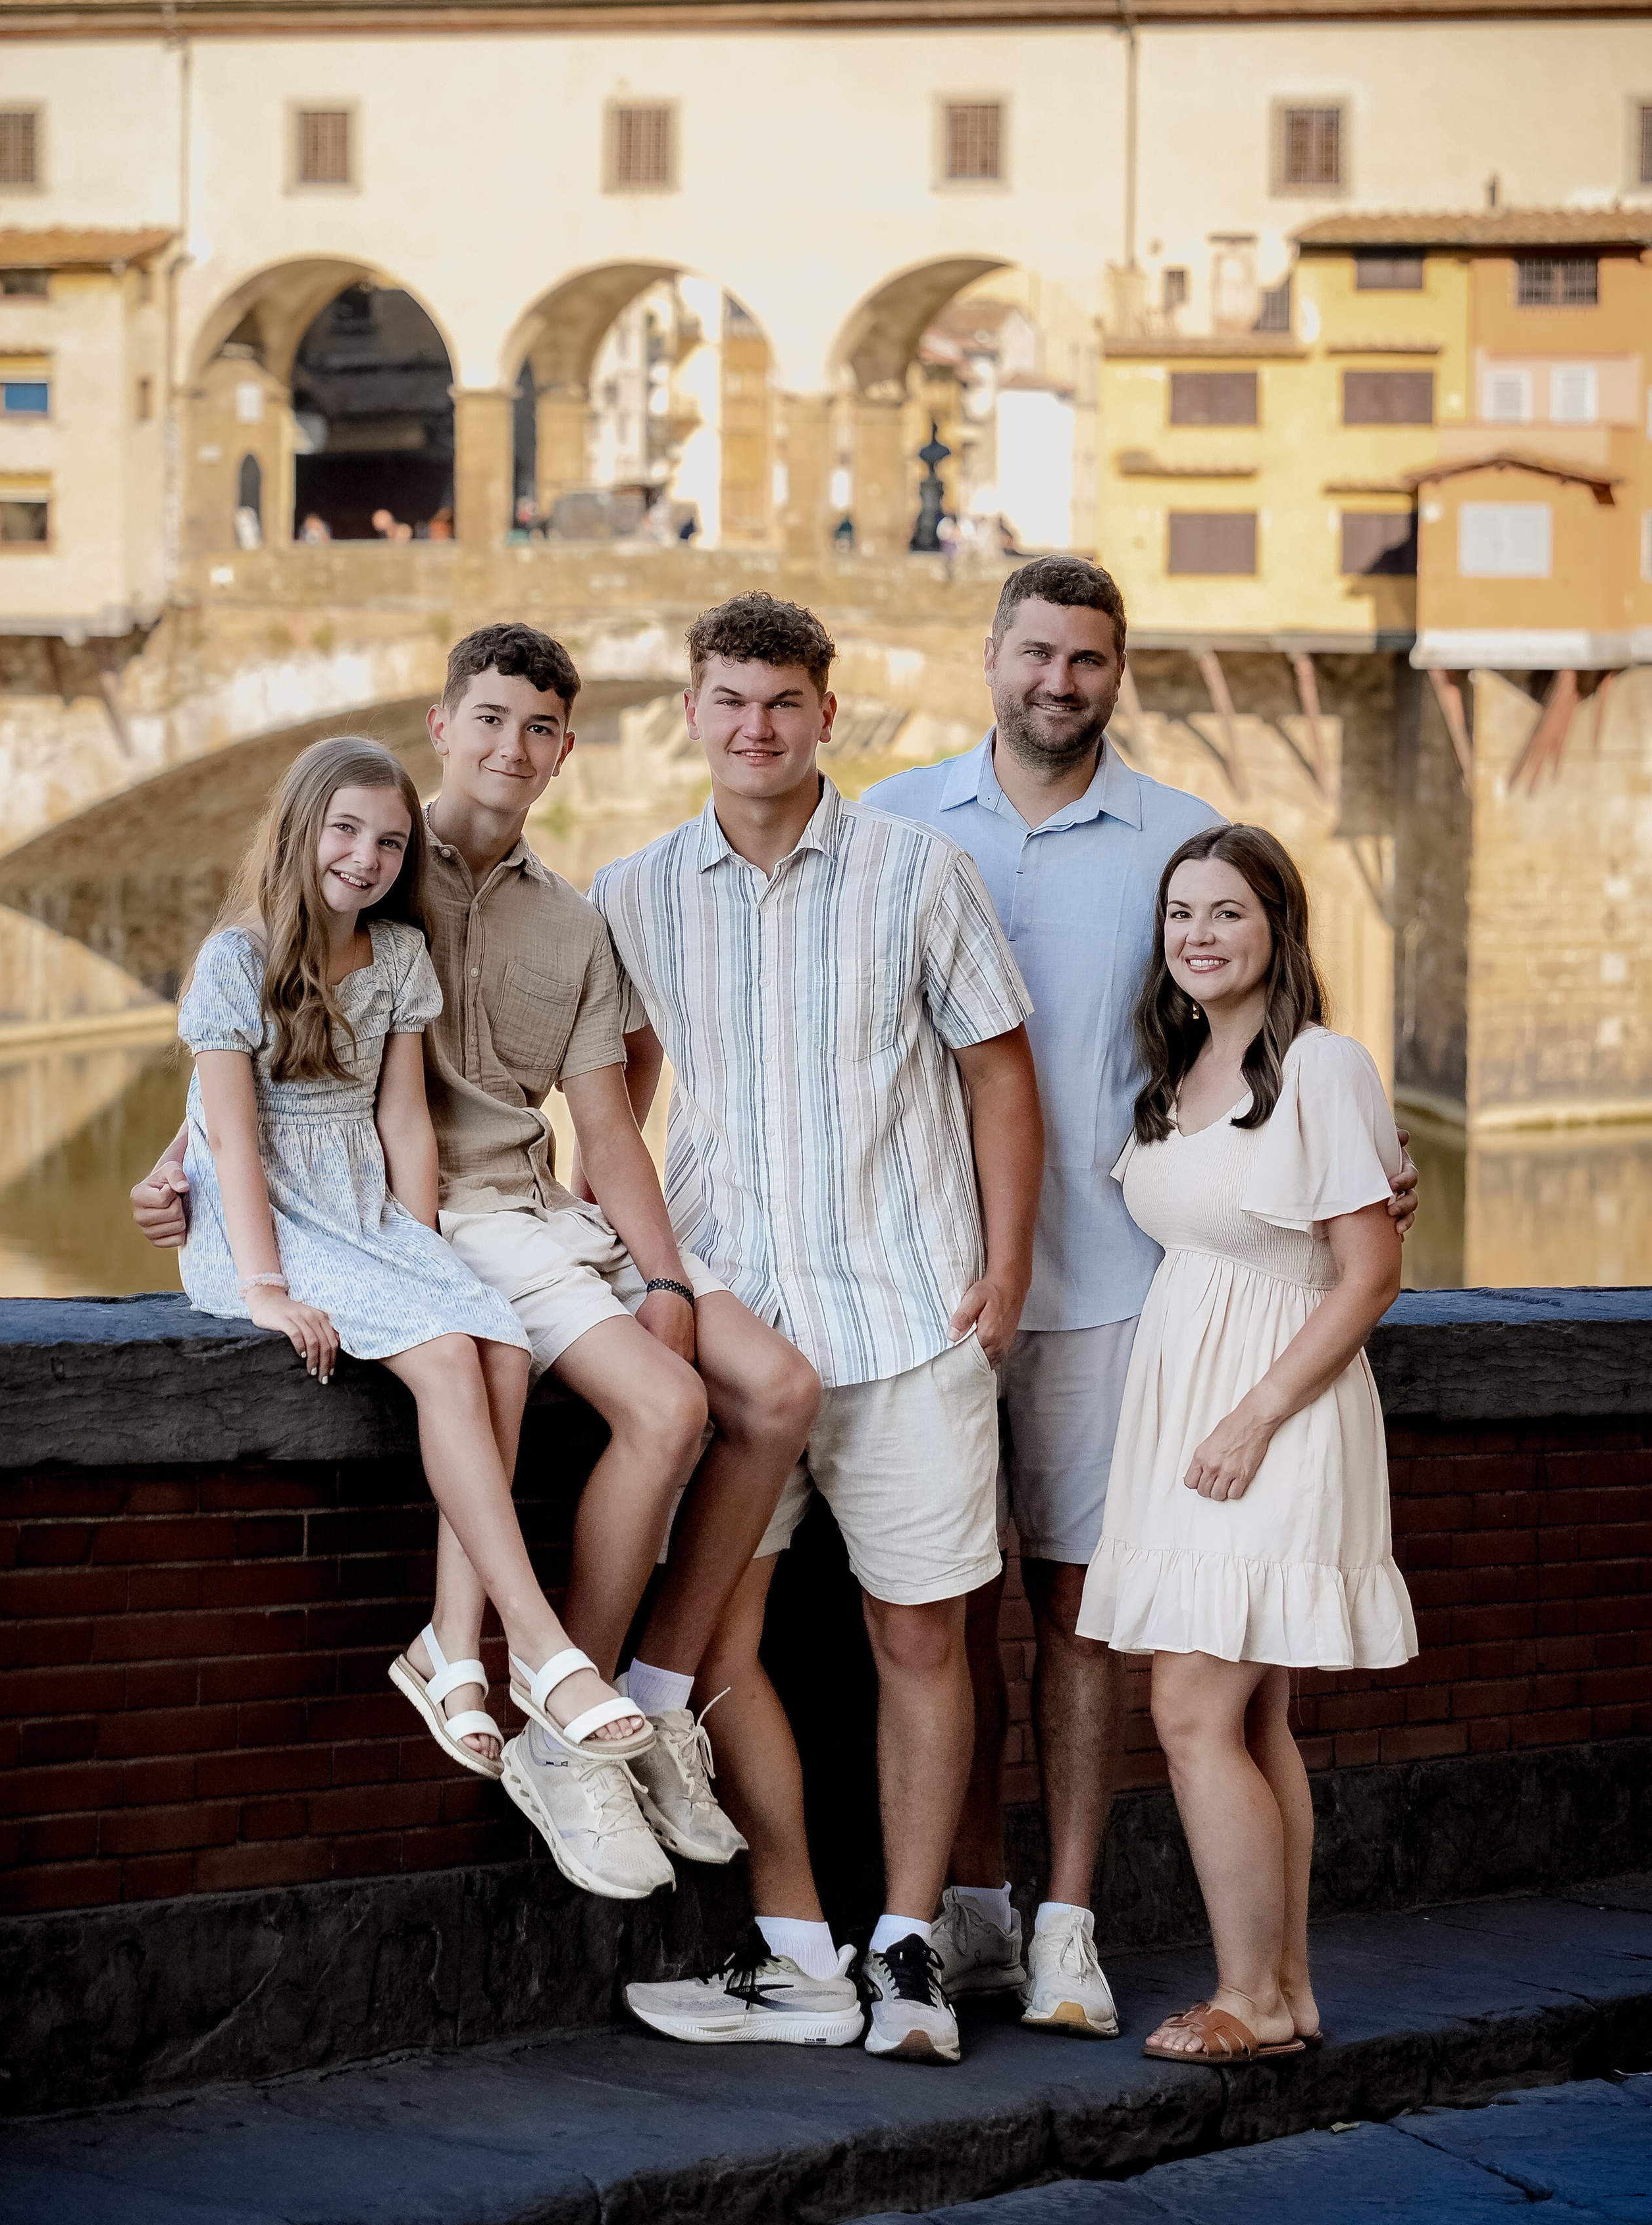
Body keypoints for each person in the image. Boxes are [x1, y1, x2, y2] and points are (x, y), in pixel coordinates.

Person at [132, 625, 821, 1904]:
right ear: (442, 727)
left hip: (547, 1204)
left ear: (566, 750)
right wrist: (186, 1168)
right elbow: (266, 1025)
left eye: (539, 727)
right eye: (490, 720)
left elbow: (608, 1128)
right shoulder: (381, 875)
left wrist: (667, 1282)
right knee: (668, 1409)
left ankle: (658, 1690)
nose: (513, 747)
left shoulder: (572, 920)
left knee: (777, 1392)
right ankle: (566, 1717)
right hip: (436, 1218)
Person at [865, 556, 1417, 2037]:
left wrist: (1359, 1164)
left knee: (1093, 1625)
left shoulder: (1181, 838)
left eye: (1087, 659)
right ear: (991, 655)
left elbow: (1310, 1105)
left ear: (1120, 670)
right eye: (1034, 652)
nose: (1057, 681)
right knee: (942, 1607)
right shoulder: (892, 823)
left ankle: (1077, 1931)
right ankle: (986, 1918)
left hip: (1128, 1306)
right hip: (922, 1289)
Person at [594, 592, 1043, 2066]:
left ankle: (907, 1949)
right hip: (732, 1317)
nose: (756, 727)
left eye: (782, 701)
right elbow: (616, 1097)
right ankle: (797, 1954)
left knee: (920, 1635)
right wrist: (633, 1263)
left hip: (908, 1308)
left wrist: (1006, 1267)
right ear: (689, 713)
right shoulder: (635, 892)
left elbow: (998, 1074)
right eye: (728, 700)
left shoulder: (920, 872)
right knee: (721, 1636)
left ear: (825, 715)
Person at [168, 733, 661, 1896]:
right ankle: (535, 1643)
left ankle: (449, 1645)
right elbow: (228, 1138)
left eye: (390, 841)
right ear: (299, 832)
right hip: (269, 1222)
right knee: (447, 1357)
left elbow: (403, 1124)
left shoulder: (396, 956)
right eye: (344, 832)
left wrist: (425, 1252)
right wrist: (267, 1288)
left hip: (372, 1213)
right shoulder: (236, 960)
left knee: (498, 1342)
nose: (366, 857)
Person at [1079, 823, 1414, 2064]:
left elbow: (1370, 1273)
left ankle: (1248, 1997)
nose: (1199, 935)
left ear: (1279, 926)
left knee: (1189, 1705)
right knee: (1254, 1714)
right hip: (1189, 1412)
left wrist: (1257, 1415)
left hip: (1274, 1415)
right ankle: (1286, 1992)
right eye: (1182, 914)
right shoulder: (1178, 1073)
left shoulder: (1323, 1066)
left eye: (1227, 912)